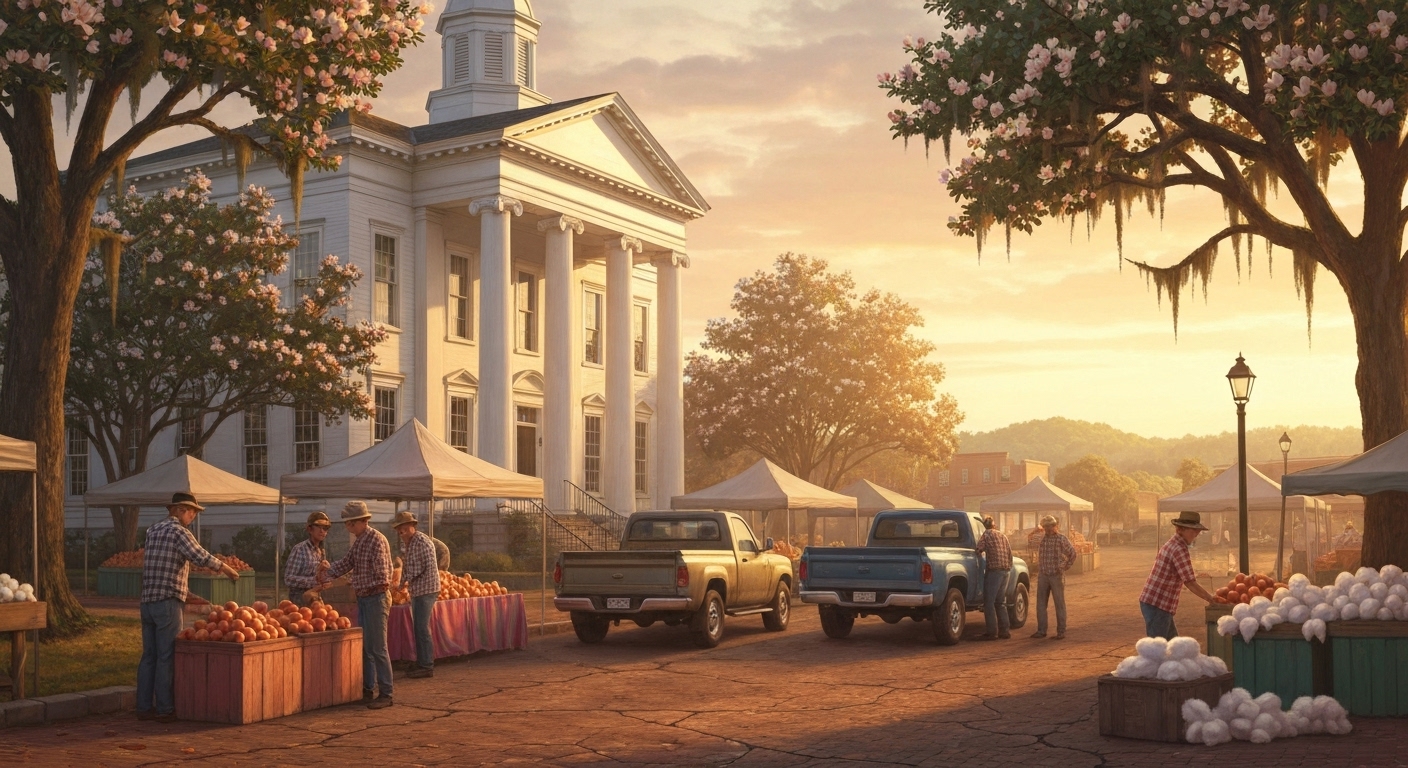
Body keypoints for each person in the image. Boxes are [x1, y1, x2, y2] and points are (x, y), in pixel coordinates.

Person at [137, 492, 240, 722]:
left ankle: (143, 706)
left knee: (149, 656)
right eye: (192, 511)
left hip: (147, 601)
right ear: (180, 509)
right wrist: (226, 568)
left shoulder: (152, 530)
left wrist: (190, 595)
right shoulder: (179, 532)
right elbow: (199, 556)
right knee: (166, 655)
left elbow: (161, 567)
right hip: (167, 603)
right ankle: (164, 708)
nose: (193, 516)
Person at [319, 501, 394, 709]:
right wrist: (327, 572)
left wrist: (353, 580)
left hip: (376, 598)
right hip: (364, 598)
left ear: (363, 521)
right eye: (347, 524)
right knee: (366, 648)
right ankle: (367, 689)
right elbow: (347, 562)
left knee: (378, 648)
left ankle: (386, 693)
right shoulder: (359, 541)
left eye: (351, 524)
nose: (348, 528)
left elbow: (382, 577)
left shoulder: (376, 540)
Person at [1139, 511, 1217, 639]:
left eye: (1197, 531)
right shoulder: (1178, 548)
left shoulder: (1173, 544)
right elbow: (1190, 582)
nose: (1196, 534)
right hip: (1158, 603)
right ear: (1181, 529)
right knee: (1159, 648)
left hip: (1157, 602)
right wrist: (1210, 598)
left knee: (1173, 645)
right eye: (1193, 530)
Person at [392, 510, 441, 679]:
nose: (401, 530)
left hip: (426, 589)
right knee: (418, 627)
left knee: (421, 627)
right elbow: (408, 566)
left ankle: (426, 665)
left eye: (404, 526)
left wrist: (402, 583)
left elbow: (417, 568)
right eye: (399, 527)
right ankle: (421, 661)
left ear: (412, 526)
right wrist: (402, 581)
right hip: (419, 589)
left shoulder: (420, 541)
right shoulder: (410, 542)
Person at [1031, 515, 1076, 640]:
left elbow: (1072, 553)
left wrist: (1064, 567)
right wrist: (1035, 531)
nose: (1048, 529)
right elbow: (1030, 542)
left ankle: (1061, 631)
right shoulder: (1041, 538)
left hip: (1056, 576)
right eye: (1046, 527)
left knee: (1059, 604)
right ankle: (1041, 631)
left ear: (1055, 526)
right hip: (1043, 575)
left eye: (1050, 526)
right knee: (1040, 604)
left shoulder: (1061, 539)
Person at [973, 516, 1012, 640]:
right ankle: (1005, 631)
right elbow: (1010, 554)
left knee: (989, 603)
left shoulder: (987, 535)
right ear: (994, 525)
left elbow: (979, 549)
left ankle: (991, 632)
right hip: (1006, 571)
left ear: (985, 526)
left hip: (994, 571)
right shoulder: (1002, 535)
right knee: (1000, 602)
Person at [284, 511, 332, 607]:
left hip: (314, 598)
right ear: (310, 529)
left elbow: (320, 576)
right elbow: (288, 579)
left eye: (325, 528)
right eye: (319, 527)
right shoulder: (300, 549)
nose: (322, 531)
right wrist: (313, 581)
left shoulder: (321, 551)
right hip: (299, 599)